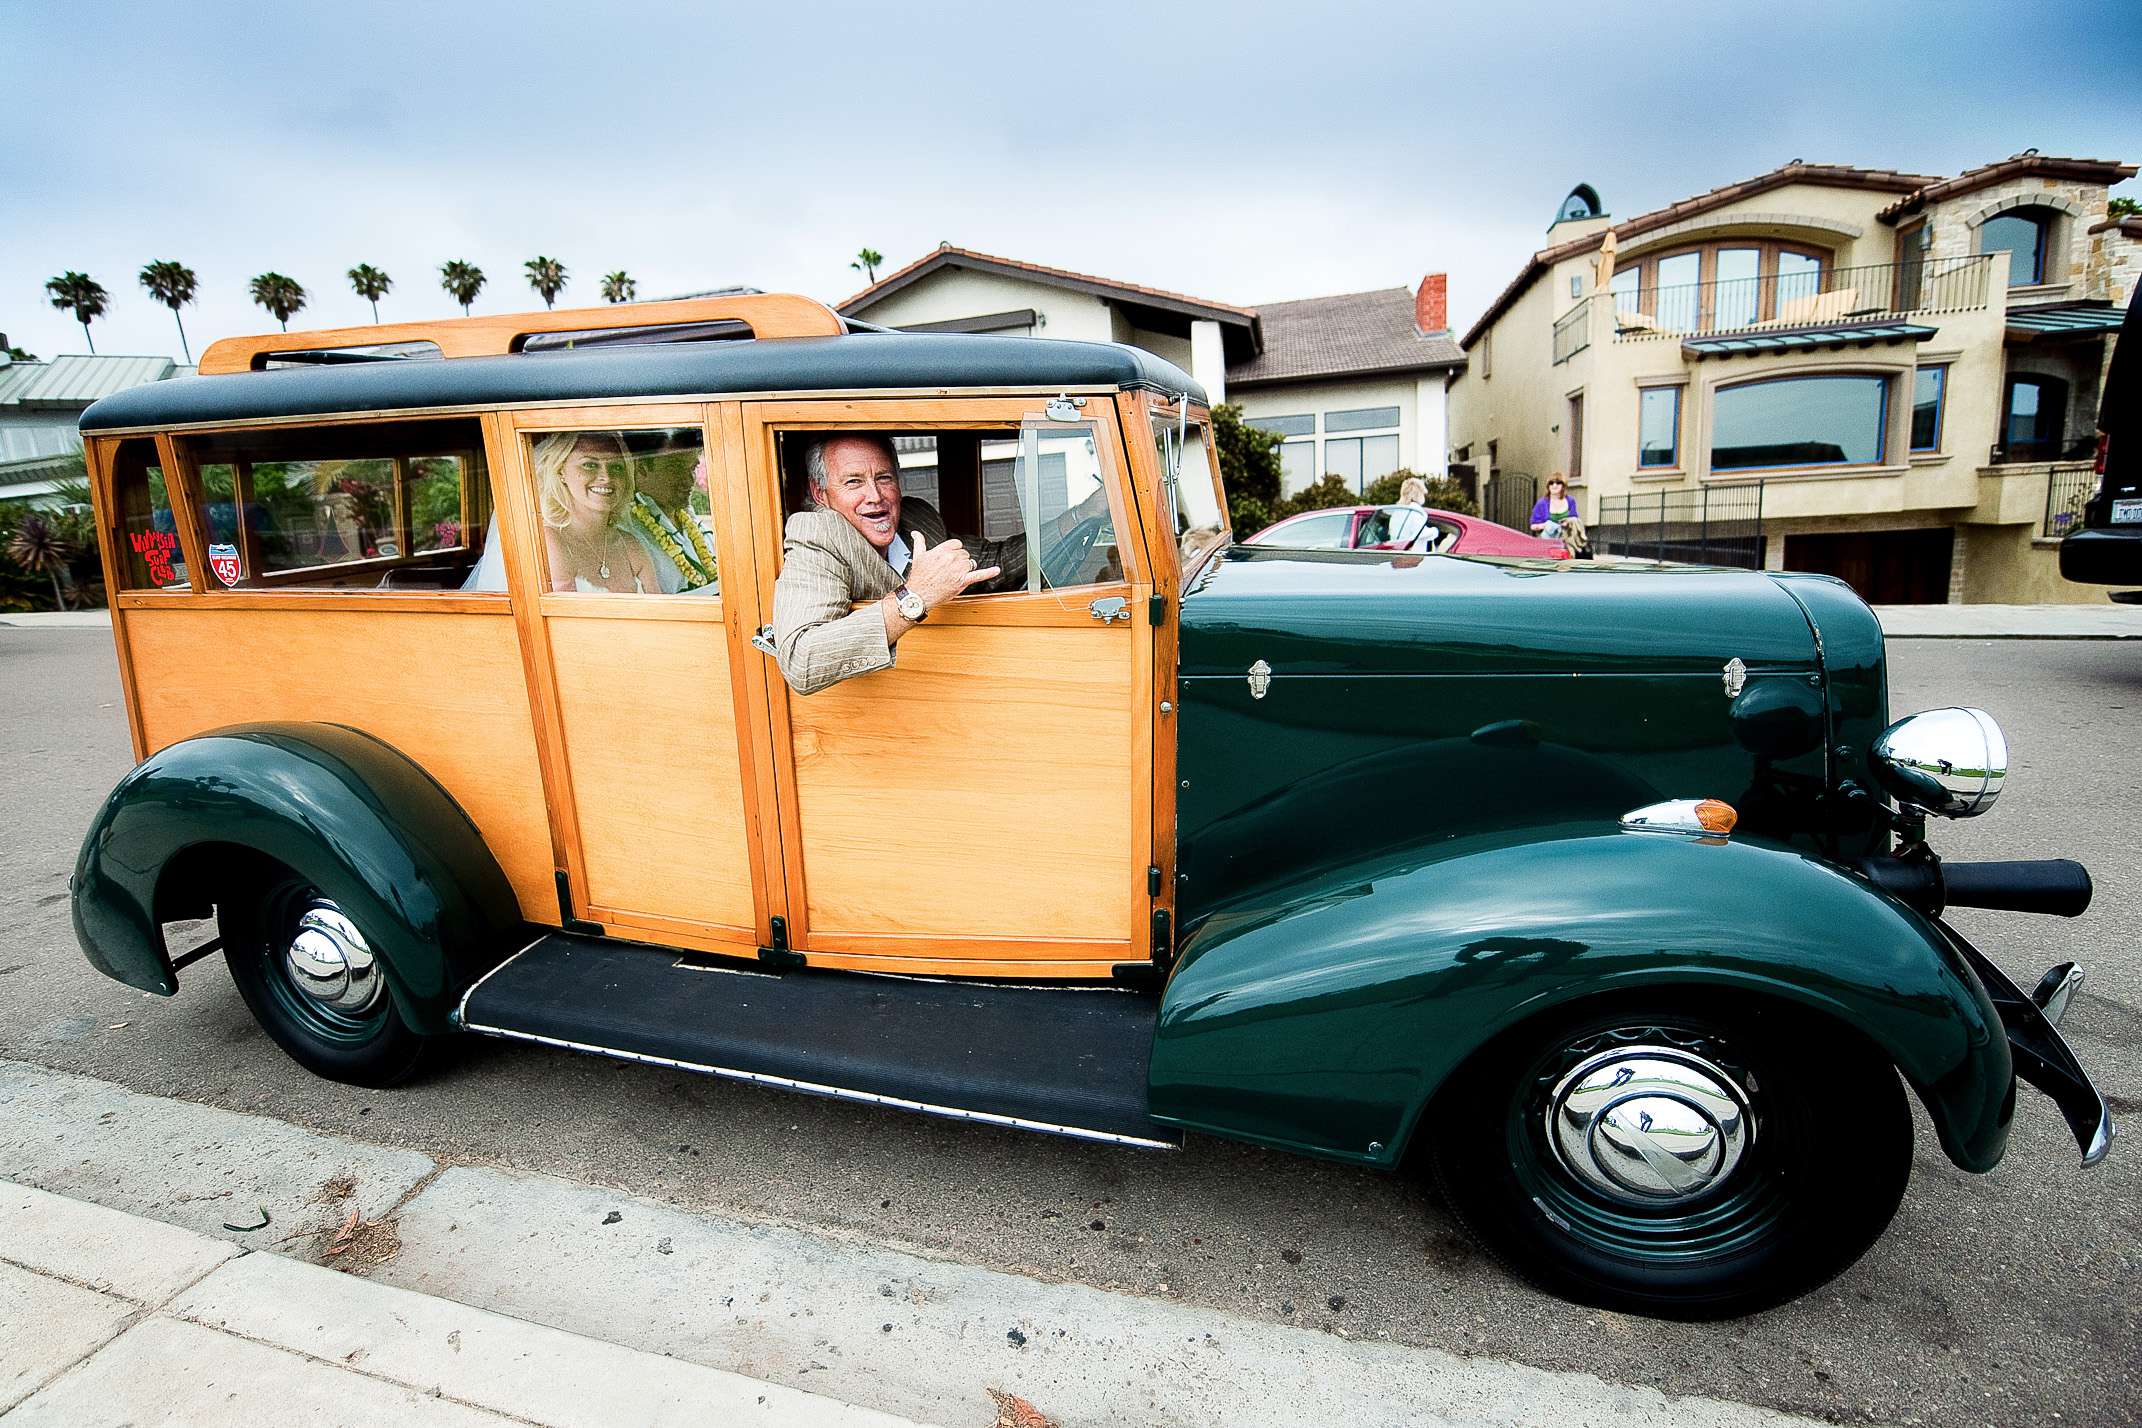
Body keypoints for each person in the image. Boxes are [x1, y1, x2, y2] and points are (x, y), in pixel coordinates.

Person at [771, 432, 1095, 695]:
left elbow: (996, 562)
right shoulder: (817, 534)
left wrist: (1084, 514)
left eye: (883, 478)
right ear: (820, 493)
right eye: (853, 482)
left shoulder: (916, 517)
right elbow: (801, 659)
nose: (875, 496)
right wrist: (915, 598)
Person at [533, 431, 667, 593]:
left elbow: (658, 613)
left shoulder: (631, 545)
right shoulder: (550, 540)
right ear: (561, 471)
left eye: (616, 467)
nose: (606, 477)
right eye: (590, 465)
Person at [1530, 474, 1588, 555]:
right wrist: (1546, 525)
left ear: (1563, 486)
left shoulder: (1570, 501)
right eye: (1551, 483)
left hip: (1567, 541)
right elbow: (1533, 526)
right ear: (1548, 486)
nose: (1554, 485)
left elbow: (1575, 519)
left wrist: (1567, 523)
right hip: (1547, 542)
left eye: (1558, 483)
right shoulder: (1541, 503)